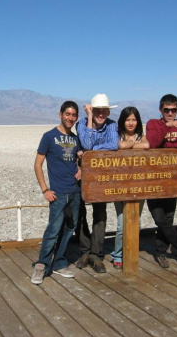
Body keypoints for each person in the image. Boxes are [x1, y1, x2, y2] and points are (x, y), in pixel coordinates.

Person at [31, 101, 82, 285]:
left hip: (75, 192)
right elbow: (38, 164)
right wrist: (45, 189)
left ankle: (59, 262)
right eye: (67, 114)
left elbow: (76, 162)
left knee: (69, 229)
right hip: (58, 194)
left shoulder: (76, 139)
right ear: (60, 114)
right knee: (53, 230)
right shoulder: (49, 137)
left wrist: (80, 168)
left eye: (74, 115)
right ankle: (41, 265)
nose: (70, 118)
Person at [75, 93, 119, 273]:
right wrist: (90, 119)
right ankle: (84, 251)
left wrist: (90, 152)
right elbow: (86, 141)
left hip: (102, 178)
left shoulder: (112, 125)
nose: (101, 114)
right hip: (82, 176)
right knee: (81, 213)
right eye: (97, 111)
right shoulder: (82, 124)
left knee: (100, 214)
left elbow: (114, 144)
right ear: (91, 110)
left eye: (104, 111)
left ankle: (96, 253)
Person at [145, 94, 177, 268]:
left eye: (173, 110)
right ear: (160, 110)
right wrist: (168, 128)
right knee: (159, 218)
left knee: (168, 218)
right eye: (167, 110)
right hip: (153, 180)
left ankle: (161, 252)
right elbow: (153, 143)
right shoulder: (153, 124)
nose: (170, 113)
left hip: (172, 180)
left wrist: (168, 146)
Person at [110, 107, 149, 269]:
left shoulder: (142, 136)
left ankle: (130, 252)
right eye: (128, 120)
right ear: (123, 121)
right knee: (121, 224)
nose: (131, 123)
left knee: (135, 222)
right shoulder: (117, 135)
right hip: (119, 186)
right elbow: (117, 145)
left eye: (134, 119)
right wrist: (134, 144)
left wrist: (129, 144)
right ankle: (118, 254)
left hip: (139, 186)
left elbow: (146, 146)